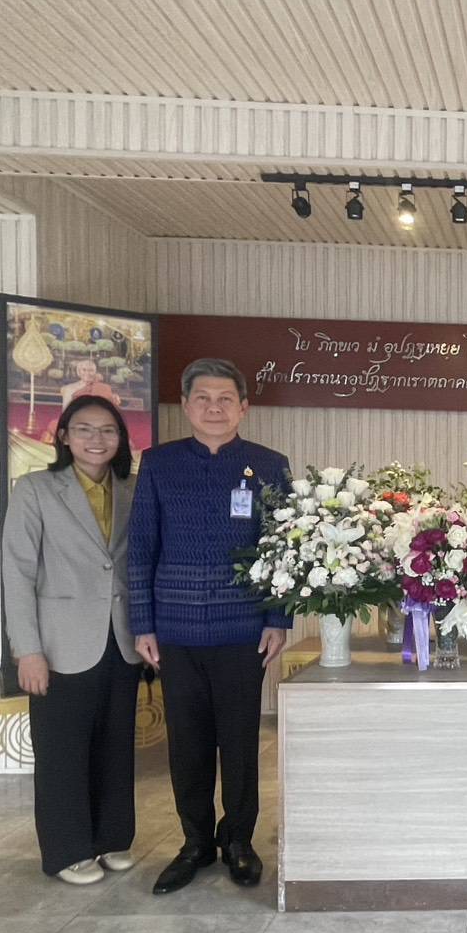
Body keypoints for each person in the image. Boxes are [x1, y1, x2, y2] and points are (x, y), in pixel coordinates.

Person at [129, 358, 291, 894]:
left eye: (225, 399)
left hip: (243, 629)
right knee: (188, 743)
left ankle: (239, 841)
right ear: (185, 405)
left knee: (240, 742)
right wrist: (142, 623)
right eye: (203, 398)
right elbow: (142, 547)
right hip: (174, 630)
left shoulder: (268, 465)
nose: (214, 408)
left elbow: (284, 547)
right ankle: (195, 842)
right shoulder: (159, 463)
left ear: (244, 407)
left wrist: (278, 618)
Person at [2, 396, 142, 884]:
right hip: (59, 643)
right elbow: (17, 573)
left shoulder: (132, 490)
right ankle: (67, 850)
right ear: (63, 436)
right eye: (84, 429)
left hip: (121, 639)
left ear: (120, 438)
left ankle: (112, 838)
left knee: (116, 746)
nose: (96, 439)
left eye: (108, 430)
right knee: (62, 751)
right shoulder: (36, 489)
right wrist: (28, 650)